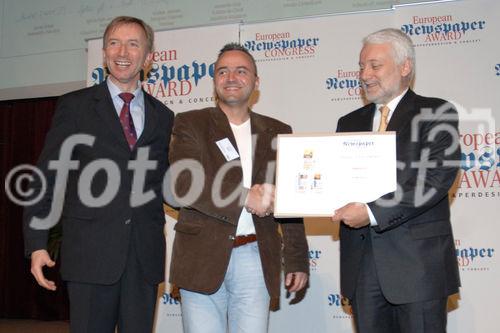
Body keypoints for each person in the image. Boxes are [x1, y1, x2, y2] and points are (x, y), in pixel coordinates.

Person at [23, 16, 174, 333]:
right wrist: (37, 244)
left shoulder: (163, 116)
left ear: (148, 58)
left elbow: (165, 182)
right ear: (104, 54)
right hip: (90, 256)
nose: (123, 51)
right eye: (114, 43)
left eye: (134, 44)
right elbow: (47, 176)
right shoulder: (75, 107)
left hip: (143, 259)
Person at [168, 43, 309, 333]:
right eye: (223, 71)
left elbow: (290, 199)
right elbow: (183, 183)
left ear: (256, 83)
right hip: (200, 257)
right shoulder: (191, 122)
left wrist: (296, 259)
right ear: (215, 80)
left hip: (255, 257)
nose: (231, 77)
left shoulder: (279, 131)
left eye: (241, 71)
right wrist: (245, 196)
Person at [331, 28, 461, 332]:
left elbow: (435, 179)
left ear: (405, 67)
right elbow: (334, 183)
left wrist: (372, 212)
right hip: (362, 269)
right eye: (362, 66)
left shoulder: (436, 112)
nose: (365, 74)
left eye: (375, 66)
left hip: (419, 269)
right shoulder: (348, 123)